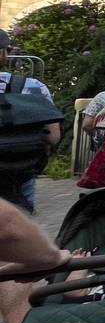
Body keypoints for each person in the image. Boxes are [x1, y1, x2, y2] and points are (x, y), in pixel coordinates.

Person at [0, 29, 61, 213]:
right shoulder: (33, 87)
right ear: (5, 52)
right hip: (18, 174)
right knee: (18, 234)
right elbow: (53, 137)